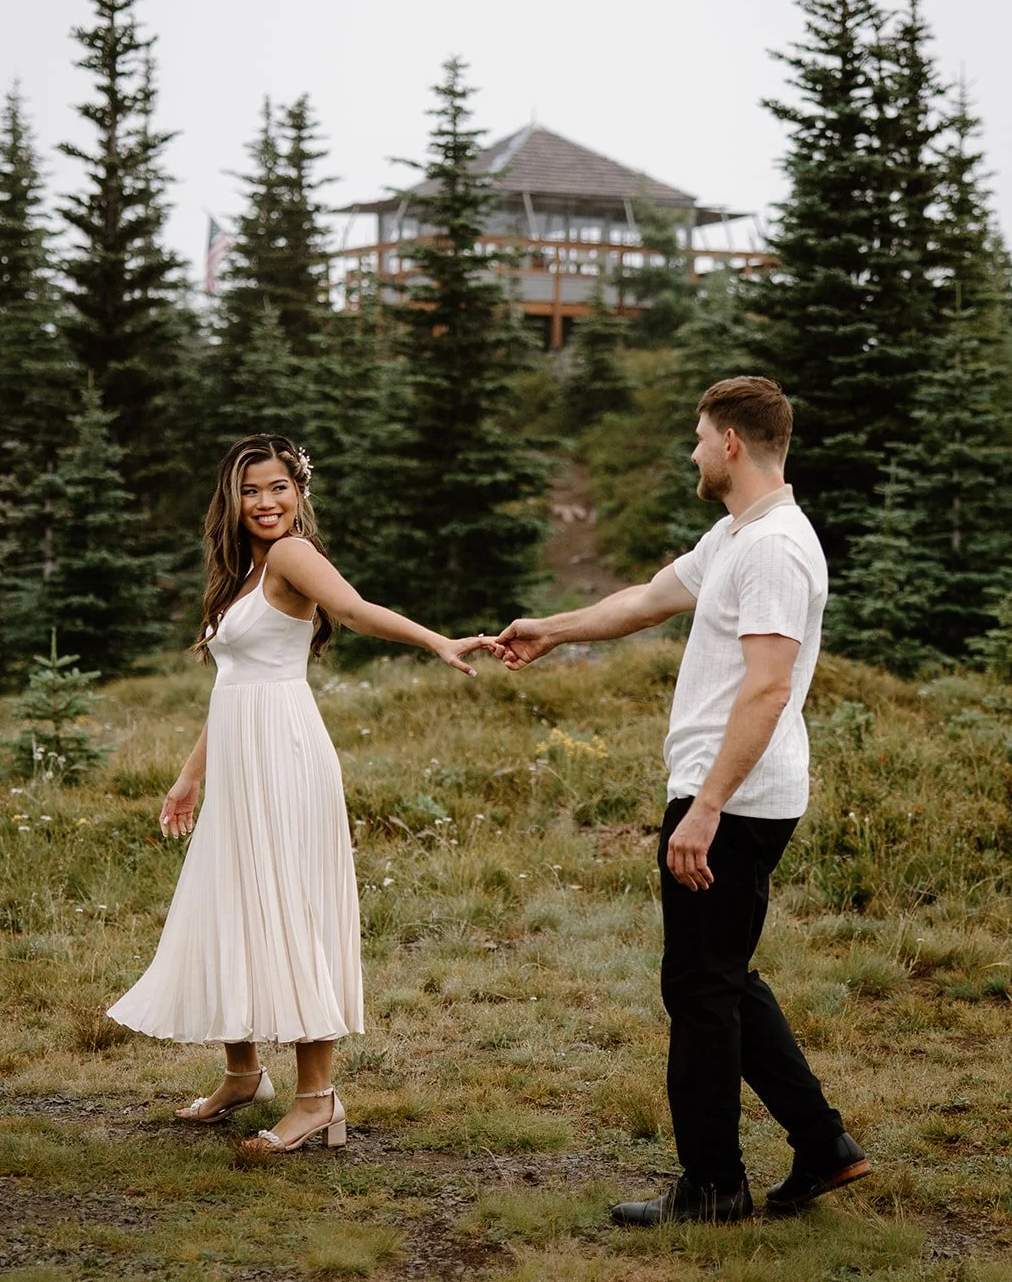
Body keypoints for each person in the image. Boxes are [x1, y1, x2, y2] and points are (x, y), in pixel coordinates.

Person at [496, 377, 869, 1222]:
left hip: (730, 799)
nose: (693, 453)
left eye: (700, 438)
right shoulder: (737, 534)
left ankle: (711, 1188)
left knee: (699, 992)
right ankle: (823, 1144)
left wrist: (704, 808)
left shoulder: (774, 547)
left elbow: (768, 691)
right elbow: (646, 599)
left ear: (731, 442)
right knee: (721, 976)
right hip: (730, 793)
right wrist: (548, 631)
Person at [108, 434, 496, 1157]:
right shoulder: (239, 575)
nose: (264, 503)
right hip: (238, 754)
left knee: (287, 908)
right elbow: (232, 685)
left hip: (283, 757)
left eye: (278, 488)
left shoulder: (292, 555)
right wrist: (190, 775)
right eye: (250, 491)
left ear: (299, 492)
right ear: (232, 499)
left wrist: (434, 640)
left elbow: (350, 611)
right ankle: (242, 1074)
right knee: (229, 905)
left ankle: (317, 1100)